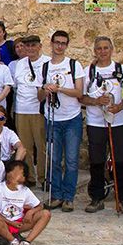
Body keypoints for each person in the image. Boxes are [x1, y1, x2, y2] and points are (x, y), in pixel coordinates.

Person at [81, 36, 123, 215]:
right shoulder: (88, 71)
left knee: (120, 160)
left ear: (111, 49)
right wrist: (96, 101)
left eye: (106, 48)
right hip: (96, 122)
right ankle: (97, 197)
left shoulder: (122, 69)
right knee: (96, 161)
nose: (102, 51)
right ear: (94, 51)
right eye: (99, 48)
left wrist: (119, 107)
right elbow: (81, 97)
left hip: (117, 122)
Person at [37, 31, 84, 212]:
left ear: (67, 45)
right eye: (57, 43)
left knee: (71, 160)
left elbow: (79, 92)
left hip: (71, 118)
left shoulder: (74, 65)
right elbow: (39, 97)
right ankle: (56, 195)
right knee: (54, 160)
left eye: (63, 43)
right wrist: (45, 89)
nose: (59, 46)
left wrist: (59, 89)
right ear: (51, 43)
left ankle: (68, 197)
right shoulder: (45, 67)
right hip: (52, 118)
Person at [0, 160, 51, 245]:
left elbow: (40, 206)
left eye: (18, 173)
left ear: (24, 177)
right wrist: (10, 222)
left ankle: (26, 243)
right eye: (12, 171)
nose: (13, 175)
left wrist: (31, 212)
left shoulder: (25, 190)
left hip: (20, 223)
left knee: (46, 214)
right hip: (4, 223)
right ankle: (13, 241)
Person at [12, 35, 50, 186]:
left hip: (39, 110)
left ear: (39, 46)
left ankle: (43, 177)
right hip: (22, 109)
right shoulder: (20, 64)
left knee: (41, 146)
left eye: (33, 45)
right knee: (25, 146)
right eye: (27, 46)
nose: (30, 48)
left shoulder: (47, 62)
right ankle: (30, 177)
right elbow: (16, 85)